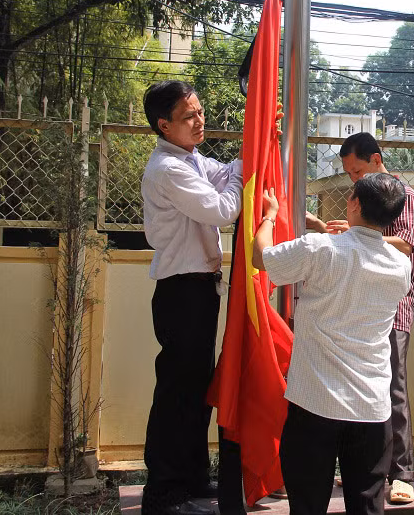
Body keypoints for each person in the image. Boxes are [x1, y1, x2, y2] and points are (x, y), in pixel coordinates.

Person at [255, 173, 412, 515]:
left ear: (354, 203)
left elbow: (261, 257)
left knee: (308, 505)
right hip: (371, 407)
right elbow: (366, 252)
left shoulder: (320, 248)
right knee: (366, 506)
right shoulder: (400, 265)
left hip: (315, 402)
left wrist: (269, 214)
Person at [140, 80, 243, 515]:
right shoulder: (169, 168)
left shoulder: (190, 158)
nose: (200, 121)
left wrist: (249, 154)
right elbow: (223, 209)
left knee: (196, 391)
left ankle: (194, 478)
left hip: (197, 288)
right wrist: (240, 175)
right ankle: (164, 490)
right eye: (189, 116)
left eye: (200, 112)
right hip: (181, 291)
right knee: (178, 394)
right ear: (164, 125)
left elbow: (224, 172)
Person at [306, 132, 414, 505]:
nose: (353, 179)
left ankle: (402, 473)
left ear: (376, 160)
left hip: (393, 305)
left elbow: (406, 243)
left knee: (394, 388)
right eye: (349, 174)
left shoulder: (405, 195)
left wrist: (357, 233)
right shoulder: (368, 198)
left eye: (357, 171)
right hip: (364, 304)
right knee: (362, 388)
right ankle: (367, 467)